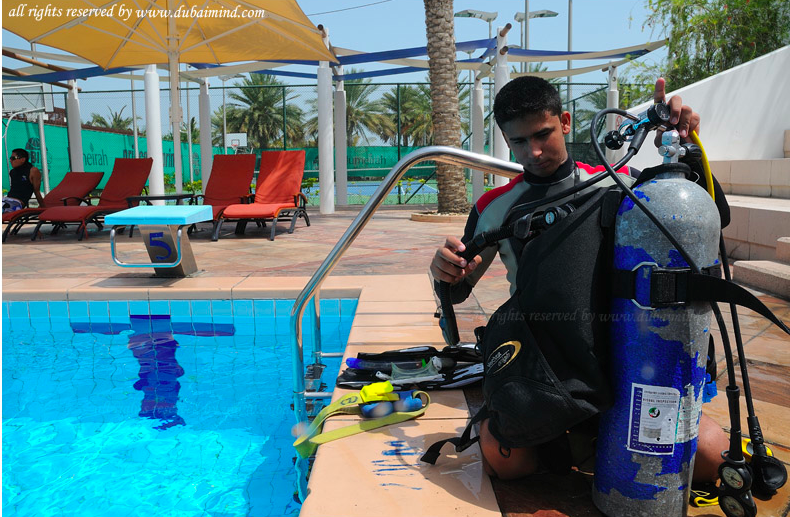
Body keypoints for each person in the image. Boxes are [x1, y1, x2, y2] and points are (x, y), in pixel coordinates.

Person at [429, 76, 729, 482]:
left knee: (714, 458)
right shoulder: (494, 207)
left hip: (626, 350)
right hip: (546, 362)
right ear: (505, 140)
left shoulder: (617, 181)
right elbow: (458, 289)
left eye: (543, 134)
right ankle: (589, 441)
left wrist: (688, 147)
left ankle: (586, 442)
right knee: (506, 461)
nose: (533, 152)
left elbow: (713, 217)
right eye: (518, 141)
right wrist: (445, 271)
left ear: (565, 122)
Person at [3, 149, 44, 213]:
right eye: (10, 158)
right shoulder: (12, 172)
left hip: (16, 203)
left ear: (22, 159)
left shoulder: (33, 171)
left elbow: (37, 191)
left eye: (13, 158)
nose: (10, 160)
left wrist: (43, 207)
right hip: (6, 200)